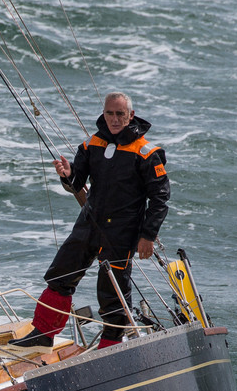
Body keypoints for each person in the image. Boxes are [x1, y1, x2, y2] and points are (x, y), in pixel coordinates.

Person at [16, 91, 170, 348]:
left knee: (112, 291)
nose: (114, 119)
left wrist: (148, 236)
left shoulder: (146, 152)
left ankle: (111, 345)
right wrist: (67, 174)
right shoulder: (91, 144)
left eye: (120, 114)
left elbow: (160, 199)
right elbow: (76, 182)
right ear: (104, 114)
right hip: (89, 222)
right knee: (60, 275)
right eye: (109, 113)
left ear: (131, 115)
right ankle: (43, 334)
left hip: (122, 231)